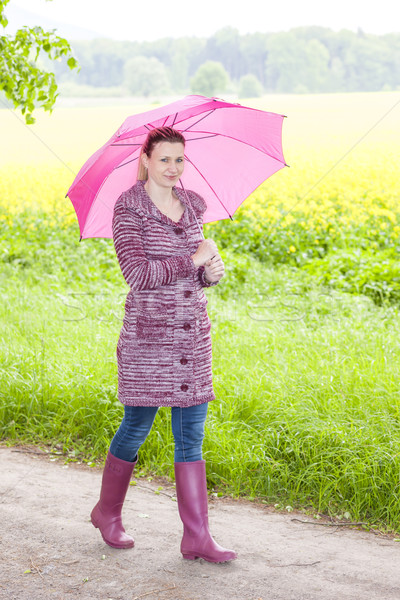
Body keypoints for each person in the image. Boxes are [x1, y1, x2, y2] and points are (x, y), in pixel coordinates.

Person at [90, 126, 236, 563]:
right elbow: (137, 274)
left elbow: (195, 275)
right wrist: (191, 259)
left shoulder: (193, 206)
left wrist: (209, 270)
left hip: (191, 340)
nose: (174, 168)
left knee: (191, 437)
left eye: (180, 159)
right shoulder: (128, 209)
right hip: (148, 344)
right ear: (146, 160)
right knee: (136, 427)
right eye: (165, 159)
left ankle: (197, 537)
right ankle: (106, 513)